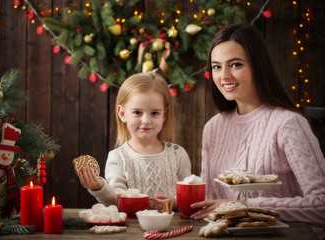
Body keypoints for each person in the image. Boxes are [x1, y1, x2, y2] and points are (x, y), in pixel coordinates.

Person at [190, 24, 325, 239]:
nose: (224, 75)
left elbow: (321, 205)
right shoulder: (213, 128)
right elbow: (212, 201)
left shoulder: (288, 124)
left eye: (235, 64)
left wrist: (243, 206)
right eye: (216, 67)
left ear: (258, 66)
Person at [76, 71, 191, 210]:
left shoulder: (178, 155)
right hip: (132, 230)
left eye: (155, 113)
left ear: (164, 115)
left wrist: (176, 202)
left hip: (174, 228)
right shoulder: (118, 158)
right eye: (137, 112)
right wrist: (99, 187)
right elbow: (116, 202)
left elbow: (189, 197)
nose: (146, 120)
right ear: (122, 114)